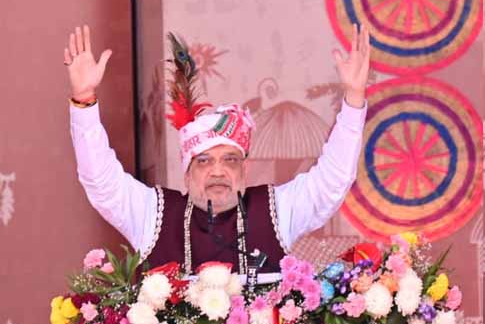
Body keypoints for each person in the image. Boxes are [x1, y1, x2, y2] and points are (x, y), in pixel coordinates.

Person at [64, 24, 371, 273]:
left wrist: (354, 100)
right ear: (186, 173)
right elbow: (101, 181)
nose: (218, 171)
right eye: (204, 161)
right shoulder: (152, 214)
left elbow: (332, 181)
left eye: (230, 160)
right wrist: (84, 99)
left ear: (245, 169)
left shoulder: (276, 209)